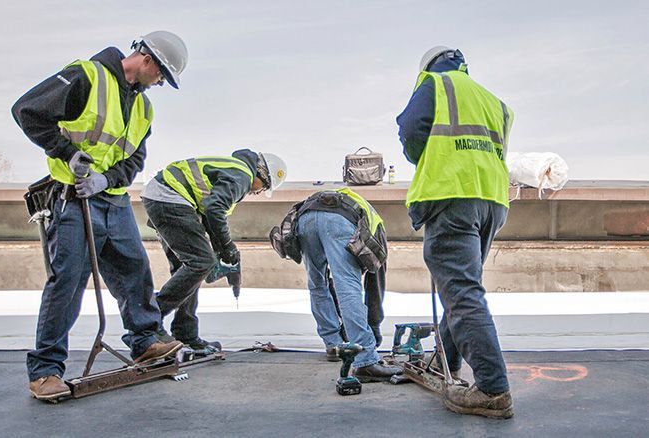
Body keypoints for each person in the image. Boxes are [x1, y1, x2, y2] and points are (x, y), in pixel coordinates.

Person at [12, 31, 189, 402]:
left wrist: (106, 179)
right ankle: (45, 371)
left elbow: (135, 159)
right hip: (72, 199)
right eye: (161, 76)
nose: (158, 84)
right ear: (147, 60)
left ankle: (145, 341)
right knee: (69, 281)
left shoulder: (143, 108)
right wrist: (67, 154)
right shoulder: (87, 75)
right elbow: (27, 111)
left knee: (133, 271)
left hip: (112, 199)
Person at [396, 46, 515, 418]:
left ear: (427, 67)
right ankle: (445, 362)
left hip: (452, 196)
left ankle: (493, 389)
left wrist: (427, 160)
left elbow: (411, 130)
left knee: (462, 292)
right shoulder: (495, 102)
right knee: (463, 287)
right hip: (492, 200)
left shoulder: (435, 84)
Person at [142, 149, 287, 349]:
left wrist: (225, 250)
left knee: (189, 272)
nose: (258, 192)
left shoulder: (234, 169)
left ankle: (186, 334)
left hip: (164, 196)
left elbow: (210, 215)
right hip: (170, 198)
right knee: (201, 263)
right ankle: (149, 320)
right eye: (263, 187)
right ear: (261, 172)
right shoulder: (242, 176)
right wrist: (227, 246)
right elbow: (214, 210)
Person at [269, 188, 402, 381]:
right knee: (347, 286)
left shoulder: (364, 218)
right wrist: (374, 326)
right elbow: (375, 284)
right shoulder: (375, 233)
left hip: (305, 216)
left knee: (317, 284)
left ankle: (333, 344)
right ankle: (365, 361)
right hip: (338, 218)